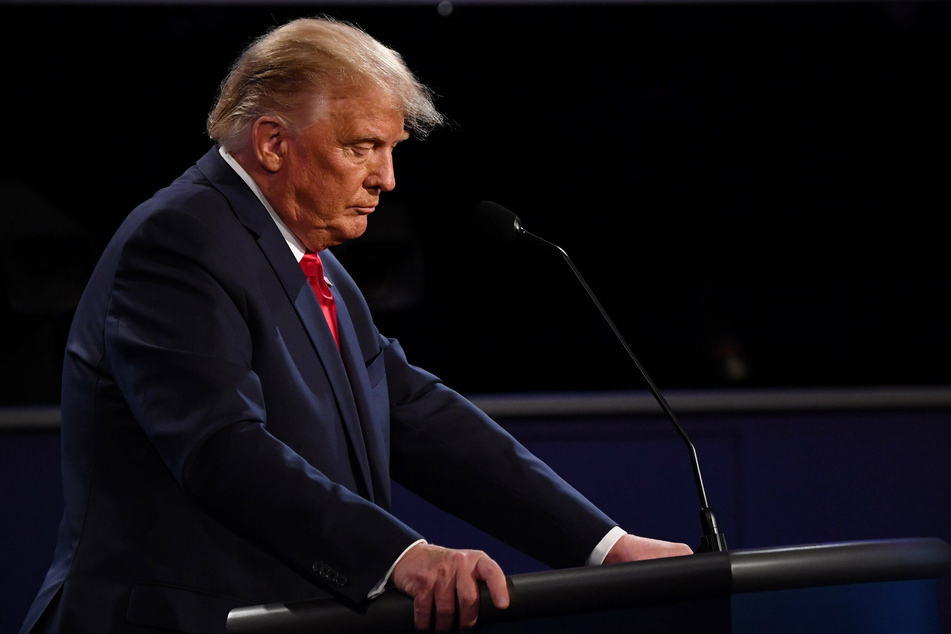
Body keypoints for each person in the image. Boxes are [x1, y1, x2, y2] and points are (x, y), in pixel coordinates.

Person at [20, 17, 690, 634]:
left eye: (391, 149)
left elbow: (412, 411)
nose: (387, 179)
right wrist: (403, 557)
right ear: (273, 142)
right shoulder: (178, 241)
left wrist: (603, 546)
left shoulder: (318, 266)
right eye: (363, 147)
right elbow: (220, 449)